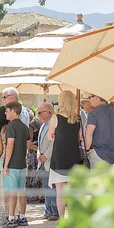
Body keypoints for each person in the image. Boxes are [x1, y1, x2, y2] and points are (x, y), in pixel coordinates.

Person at [48, 90, 82, 219]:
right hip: (74, 156)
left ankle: (62, 219)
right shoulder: (77, 118)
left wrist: (55, 136)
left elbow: (50, 136)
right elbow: (79, 137)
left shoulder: (56, 117)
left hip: (59, 157)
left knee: (60, 192)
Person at [2, 102, 30, 227]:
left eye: (7, 111)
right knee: (21, 191)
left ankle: (11, 218)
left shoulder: (11, 126)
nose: (5, 113)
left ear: (13, 111)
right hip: (22, 163)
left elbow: (10, 146)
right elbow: (27, 144)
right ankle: (22, 217)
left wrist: (6, 164)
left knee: (12, 193)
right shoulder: (24, 126)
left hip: (12, 164)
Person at [34, 101, 56, 220]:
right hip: (42, 161)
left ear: (49, 112)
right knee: (46, 187)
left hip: (50, 160)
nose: (39, 115)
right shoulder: (43, 125)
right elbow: (40, 144)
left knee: (52, 187)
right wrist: (39, 154)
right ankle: (48, 211)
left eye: (41, 112)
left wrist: (46, 155)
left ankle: (54, 212)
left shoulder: (54, 124)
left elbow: (54, 143)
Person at [83, 94, 114, 166]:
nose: (89, 100)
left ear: (96, 97)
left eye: (90, 97)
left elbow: (89, 134)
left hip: (97, 153)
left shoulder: (93, 113)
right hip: (110, 154)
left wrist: (86, 149)